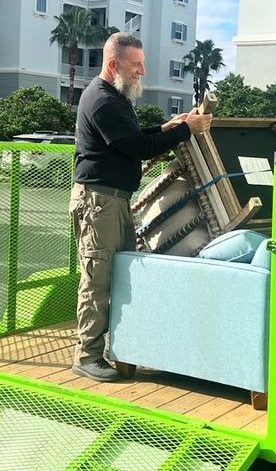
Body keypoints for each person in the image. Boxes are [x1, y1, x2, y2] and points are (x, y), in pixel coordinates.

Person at [69, 32, 212, 383]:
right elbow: (138, 148)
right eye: (135, 65)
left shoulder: (115, 98)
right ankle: (87, 355)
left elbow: (134, 137)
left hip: (114, 201)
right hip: (99, 203)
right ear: (113, 64)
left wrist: (170, 126)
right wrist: (185, 130)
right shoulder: (101, 100)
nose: (141, 71)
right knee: (98, 279)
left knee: (120, 274)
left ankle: (118, 348)